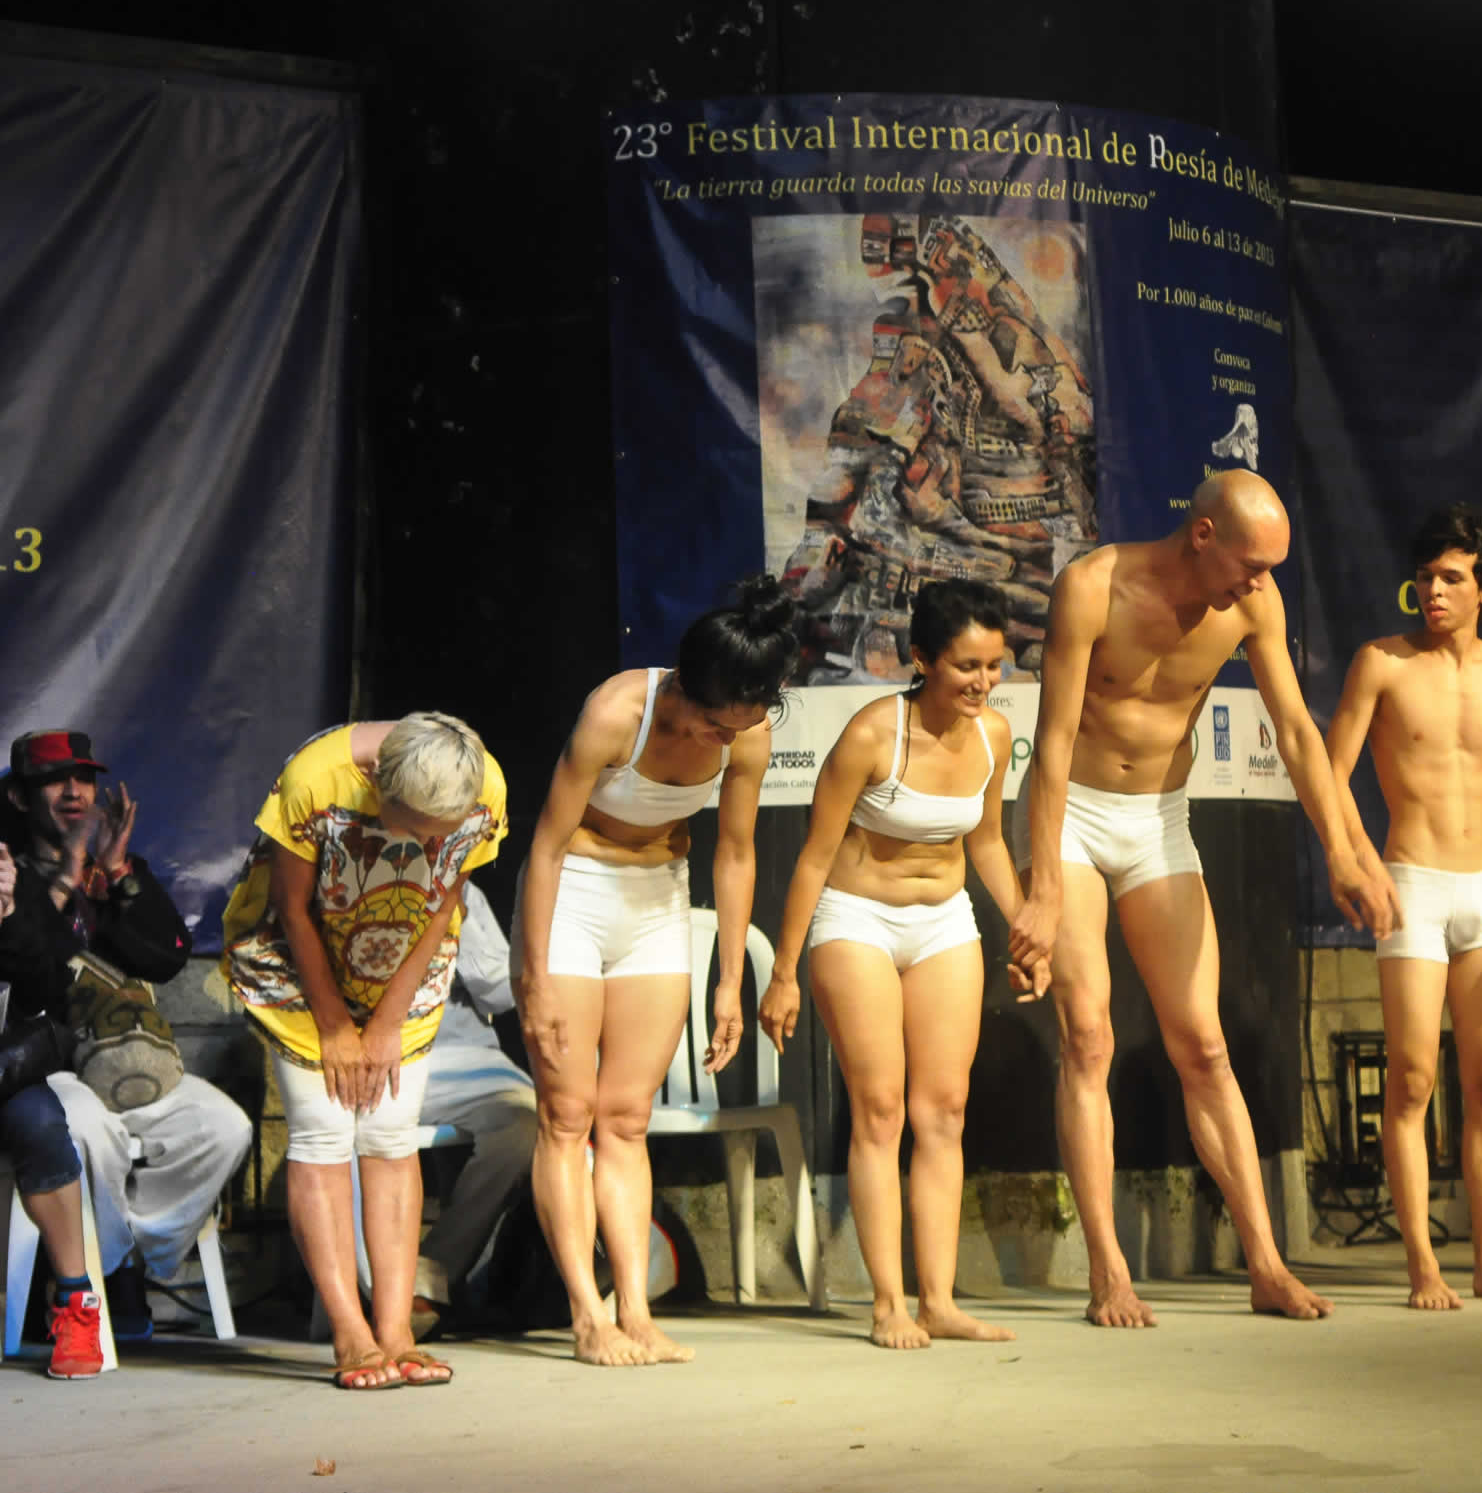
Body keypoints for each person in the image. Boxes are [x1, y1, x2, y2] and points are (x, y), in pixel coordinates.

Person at [1006, 469, 1399, 1326]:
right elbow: (1054, 741)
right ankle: (1108, 1267)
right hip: (1071, 811)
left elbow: (1295, 729)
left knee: (1206, 1047)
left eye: (1273, 570)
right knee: (1089, 1035)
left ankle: (1266, 1263)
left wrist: (1340, 846)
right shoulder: (1092, 587)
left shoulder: (1252, 606)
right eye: (1252, 565)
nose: (1262, 585)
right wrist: (1040, 888)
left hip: (1157, 817)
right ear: (1203, 536)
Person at [511, 575, 792, 1366]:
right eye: (708, 721)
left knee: (625, 1116)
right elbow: (545, 843)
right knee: (567, 1113)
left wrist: (730, 977)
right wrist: (533, 976)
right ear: (683, 684)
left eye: (733, 727)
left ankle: (634, 1307)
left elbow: (735, 851)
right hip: (573, 893)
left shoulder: (748, 732)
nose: (716, 739)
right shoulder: (616, 713)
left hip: (657, 899)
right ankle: (585, 1313)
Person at [757, 580, 1042, 1349]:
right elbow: (813, 860)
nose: (984, 681)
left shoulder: (994, 732)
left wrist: (1024, 928)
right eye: (966, 667)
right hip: (857, 920)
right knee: (880, 1110)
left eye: (995, 663)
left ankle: (940, 1299)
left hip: (945, 920)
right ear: (920, 660)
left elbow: (985, 839)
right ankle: (889, 1301)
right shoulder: (872, 734)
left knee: (943, 1112)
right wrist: (783, 972)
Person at [222, 712, 506, 1388]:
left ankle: (396, 1329)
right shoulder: (315, 780)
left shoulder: (484, 786)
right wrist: (334, 1026)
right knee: (323, 1132)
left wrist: (384, 1022)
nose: (419, 844)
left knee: (389, 1132)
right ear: (378, 779)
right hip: (298, 958)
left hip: (404, 955)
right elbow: (291, 909)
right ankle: (352, 1334)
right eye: (408, 826)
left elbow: (444, 901)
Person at [1323, 504, 1482, 1310]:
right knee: (1415, 1076)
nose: (1432, 592)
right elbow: (1333, 775)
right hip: (1413, 883)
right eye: (1424, 577)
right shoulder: (1382, 663)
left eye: (1451, 578)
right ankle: (1424, 1260)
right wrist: (1359, 861)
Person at [1, 730, 252, 1344]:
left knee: (225, 1129)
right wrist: (67, 874)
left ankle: (127, 1257)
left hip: (132, 1060)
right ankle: (97, 1282)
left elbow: (167, 957)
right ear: (18, 795)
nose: (73, 792)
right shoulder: (11, 872)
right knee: (88, 1135)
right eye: (54, 781)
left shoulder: (114, 871)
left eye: (83, 779)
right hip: (54, 1063)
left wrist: (114, 871)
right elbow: (38, 959)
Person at [406, 880, 539, 1336]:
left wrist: (456, 912)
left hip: (464, 1054)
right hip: (378, 1058)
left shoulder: (462, 884)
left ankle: (431, 1274)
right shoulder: (343, 879)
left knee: (532, 1121)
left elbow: (499, 993)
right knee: (353, 1132)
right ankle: (366, 1298)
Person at [0, 837, 107, 1379]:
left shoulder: (22, 888)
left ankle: (74, 1301)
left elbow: (46, 992)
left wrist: (10, 914)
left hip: (5, 1072)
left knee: (41, 1120)